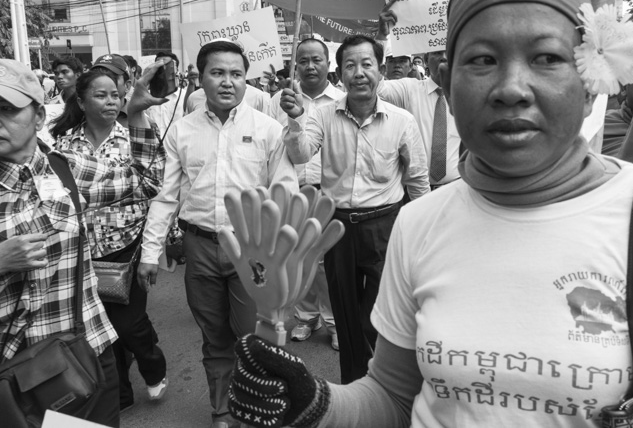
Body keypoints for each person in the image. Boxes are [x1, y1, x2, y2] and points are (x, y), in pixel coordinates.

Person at [228, 0, 633, 427]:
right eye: (483, 60)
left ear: (592, 81)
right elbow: (392, 396)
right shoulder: (418, 224)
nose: (511, 88)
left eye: (547, 58)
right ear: (447, 82)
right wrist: (316, 405)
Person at [138, 39, 298, 428]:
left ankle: (258, 407)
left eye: (236, 74)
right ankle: (223, 411)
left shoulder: (269, 129)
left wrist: (283, 253)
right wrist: (149, 252)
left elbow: (285, 191)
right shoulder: (182, 131)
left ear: (247, 80)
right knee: (214, 337)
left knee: (253, 336)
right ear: (200, 77)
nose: (228, 82)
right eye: (218, 73)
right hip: (200, 247)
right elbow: (165, 196)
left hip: (252, 248)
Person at [0, 58, 166, 427]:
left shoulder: (64, 167)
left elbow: (145, 183)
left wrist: (136, 114)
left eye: (7, 109)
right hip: (12, 369)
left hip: (83, 352)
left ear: (39, 117)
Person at [280, 34, 429, 384]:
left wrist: (424, 229)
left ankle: (386, 384)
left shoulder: (401, 121)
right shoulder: (321, 115)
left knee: (378, 316)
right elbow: (300, 154)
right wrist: (295, 119)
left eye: (366, 64)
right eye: (350, 65)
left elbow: (418, 179)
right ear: (340, 73)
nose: (359, 73)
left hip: (385, 227)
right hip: (339, 228)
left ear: (380, 71)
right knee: (345, 317)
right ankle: (354, 387)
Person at [52, 69, 169, 412]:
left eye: (115, 96)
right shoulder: (63, 143)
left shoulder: (135, 134)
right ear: (81, 101)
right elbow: (63, 195)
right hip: (83, 249)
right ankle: (120, 395)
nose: (110, 101)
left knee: (128, 324)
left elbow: (152, 185)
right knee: (98, 329)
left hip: (125, 246)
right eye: (101, 95)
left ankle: (152, 363)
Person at [269, 38, 344, 350]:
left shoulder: (342, 99)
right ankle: (305, 316)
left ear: (329, 64)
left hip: (329, 194)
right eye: (304, 60)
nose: (311, 66)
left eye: (317, 60)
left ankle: (334, 321)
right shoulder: (277, 101)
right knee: (298, 260)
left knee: (328, 261)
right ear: (295, 65)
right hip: (292, 192)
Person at [376, 8, 461, 188]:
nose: (444, 58)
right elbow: (376, 87)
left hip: (456, 188)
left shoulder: (467, 95)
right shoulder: (409, 89)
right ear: (425, 59)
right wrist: (382, 38)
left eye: (448, 53)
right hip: (413, 191)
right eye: (437, 53)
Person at [91, 54, 132, 127]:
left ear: (127, 86)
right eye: (97, 76)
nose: (105, 81)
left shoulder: (141, 122)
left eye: (112, 77)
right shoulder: (82, 120)